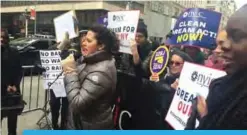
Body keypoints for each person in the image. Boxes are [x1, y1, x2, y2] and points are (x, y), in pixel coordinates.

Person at [189, 4, 247, 129]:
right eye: (228, 36)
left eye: (236, 36)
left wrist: (205, 118)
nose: (224, 46)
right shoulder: (220, 86)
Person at [61, 25, 119, 129]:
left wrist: (70, 71)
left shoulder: (101, 72)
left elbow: (77, 104)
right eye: (83, 40)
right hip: (80, 123)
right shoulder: (89, 59)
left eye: (88, 41)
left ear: (101, 46)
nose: (83, 43)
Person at [139, 49, 193, 129]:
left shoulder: (187, 84)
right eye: (171, 62)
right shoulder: (166, 78)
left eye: (177, 63)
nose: (173, 65)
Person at [1, 29, 23, 135]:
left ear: (7, 39)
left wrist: (15, 85)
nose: (1, 39)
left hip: (13, 94)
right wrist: (5, 86)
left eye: (4, 37)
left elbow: (19, 70)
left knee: (12, 124)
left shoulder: (14, 52)